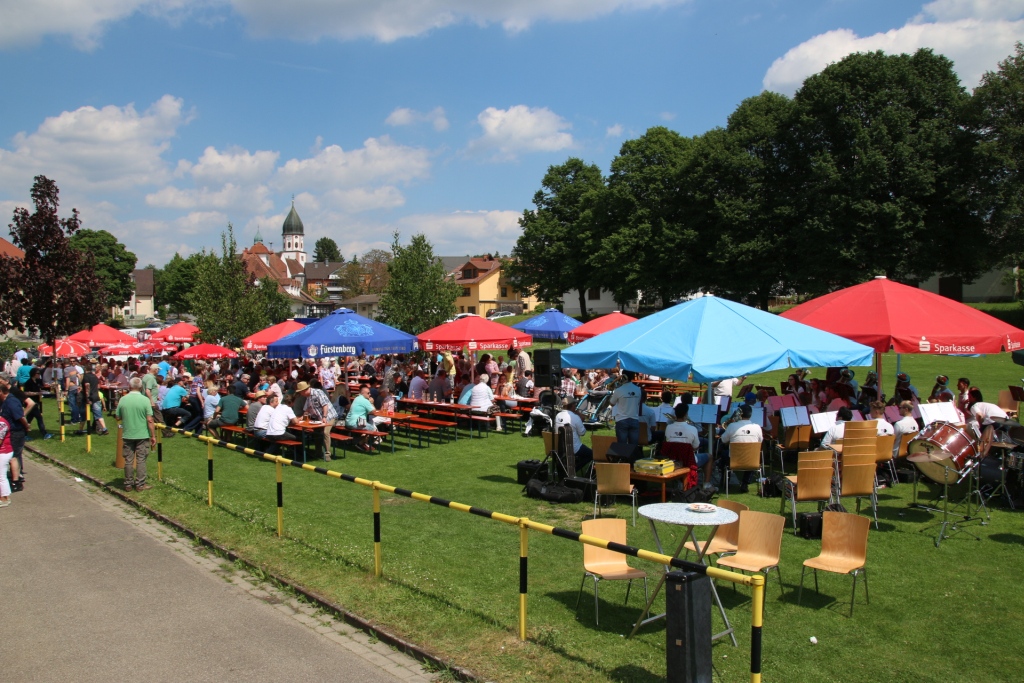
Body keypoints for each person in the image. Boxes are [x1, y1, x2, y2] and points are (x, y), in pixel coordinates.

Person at [116, 377, 156, 492]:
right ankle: (140, 484)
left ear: (129, 386)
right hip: (142, 434)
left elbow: (118, 416)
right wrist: (153, 435)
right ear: (141, 387)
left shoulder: (123, 399)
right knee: (141, 459)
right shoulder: (145, 400)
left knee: (128, 460)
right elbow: (150, 420)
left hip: (128, 433)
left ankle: (128, 484)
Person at [665, 402, 711, 488]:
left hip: (674, 459)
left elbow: (669, 444)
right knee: (709, 457)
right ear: (686, 414)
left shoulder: (668, 428)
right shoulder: (692, 429)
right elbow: (696, 447)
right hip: (688, 460)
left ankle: (680, 481)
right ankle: (706, 484)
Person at [719, 404, 764, 492]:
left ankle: (725, 481)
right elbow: (760, 442)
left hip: (734, 460)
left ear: (740, 414)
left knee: (724, 454)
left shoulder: (732, 426)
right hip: (751, 461)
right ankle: (745, 483)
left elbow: (723, 440)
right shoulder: (758, 427)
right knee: (751, 454)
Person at [299, 380, 338, 462]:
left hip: (330, 416)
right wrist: (302, 417)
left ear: (304, 390)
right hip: (319, 419)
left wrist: (324, 417)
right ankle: (318, 453)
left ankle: (327, 454)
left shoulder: (318, 392)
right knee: (316, 432)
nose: (300, 394)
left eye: (300, 392)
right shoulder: (308, 397)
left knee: (325, 432)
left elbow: (325, 405)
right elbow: (307, 409)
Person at [0, 379, 27, 494]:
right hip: (9, 431)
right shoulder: (5, 401)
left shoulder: (11, 401)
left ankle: (16, 481)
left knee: (13, 456)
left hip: (16, 432)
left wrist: (27, 426)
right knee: (12, 456)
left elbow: (20, 416)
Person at [555, 398, 592, 474]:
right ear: (572, 406)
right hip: (574, 448)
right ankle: (573, 470)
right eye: (575, 404)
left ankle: (570, 467)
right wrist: (579, 415)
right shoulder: (575, 417)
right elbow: (582, 433)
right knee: (592, 454)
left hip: (560, 447)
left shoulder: (558, 415)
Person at [609, 371, 642, 445]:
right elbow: (638, 402)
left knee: (622, 446)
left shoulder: (618, 390)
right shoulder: (638, 389)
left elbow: (612, 403)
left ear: (623, 377)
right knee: (633, 446)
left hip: (622, 419)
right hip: (634, 419)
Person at [346, 385, 378, 453]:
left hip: (348, 422)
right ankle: (360, 443)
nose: (370, 394)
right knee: (372, 428)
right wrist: (371, 402)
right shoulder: (365, 400)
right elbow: (374, 411)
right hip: (356, 422)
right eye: (368, 393)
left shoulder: (357, 398)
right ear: (363, 393)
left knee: (366, 427)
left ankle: (360, 442)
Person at [80, 363, 109, 436]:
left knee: (84, 414)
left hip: (89, 397)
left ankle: (80, 429)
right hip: (96, 396)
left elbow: (87, 387)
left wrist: (87, 398)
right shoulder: (95, 376)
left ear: (85, 369)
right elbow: (98, 386)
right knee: (98, 414)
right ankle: (104, 429)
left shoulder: (86, 377)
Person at [0, 409, 16, 507]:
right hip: (3, 451)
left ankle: (4, 498)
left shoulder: (1, 423)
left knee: (1, 476)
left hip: (3, 452)